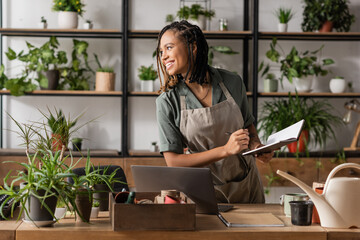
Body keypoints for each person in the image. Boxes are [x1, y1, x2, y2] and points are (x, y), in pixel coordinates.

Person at [155, 20, 273, 203]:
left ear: (192, 47)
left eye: (169, 48)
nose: (163, 56)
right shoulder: (167, 101)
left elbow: (248, 129)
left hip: (245, 187)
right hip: (201, 191)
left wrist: (258, 148)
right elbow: (174, 162)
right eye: (161, 52)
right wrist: (225, 150)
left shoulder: (232, 82)